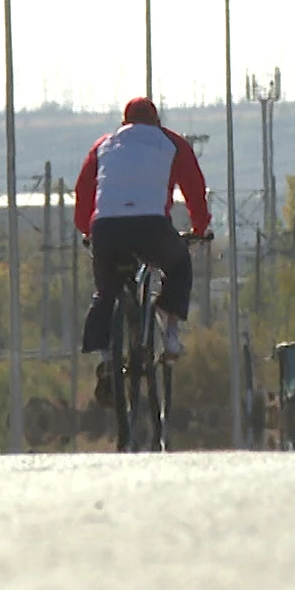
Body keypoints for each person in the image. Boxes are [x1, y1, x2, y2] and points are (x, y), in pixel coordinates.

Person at [74, 98, 210, 402]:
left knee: (106, 291)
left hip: (106, 229)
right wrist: (200, 229)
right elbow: (194, 188)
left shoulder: (104, 145)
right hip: (151, 227)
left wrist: (87, 229)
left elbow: (83, 191)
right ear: (156, 121)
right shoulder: (171, 142)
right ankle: (170, 331)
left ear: (125, 122)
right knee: (178, 265)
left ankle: (106, 355)